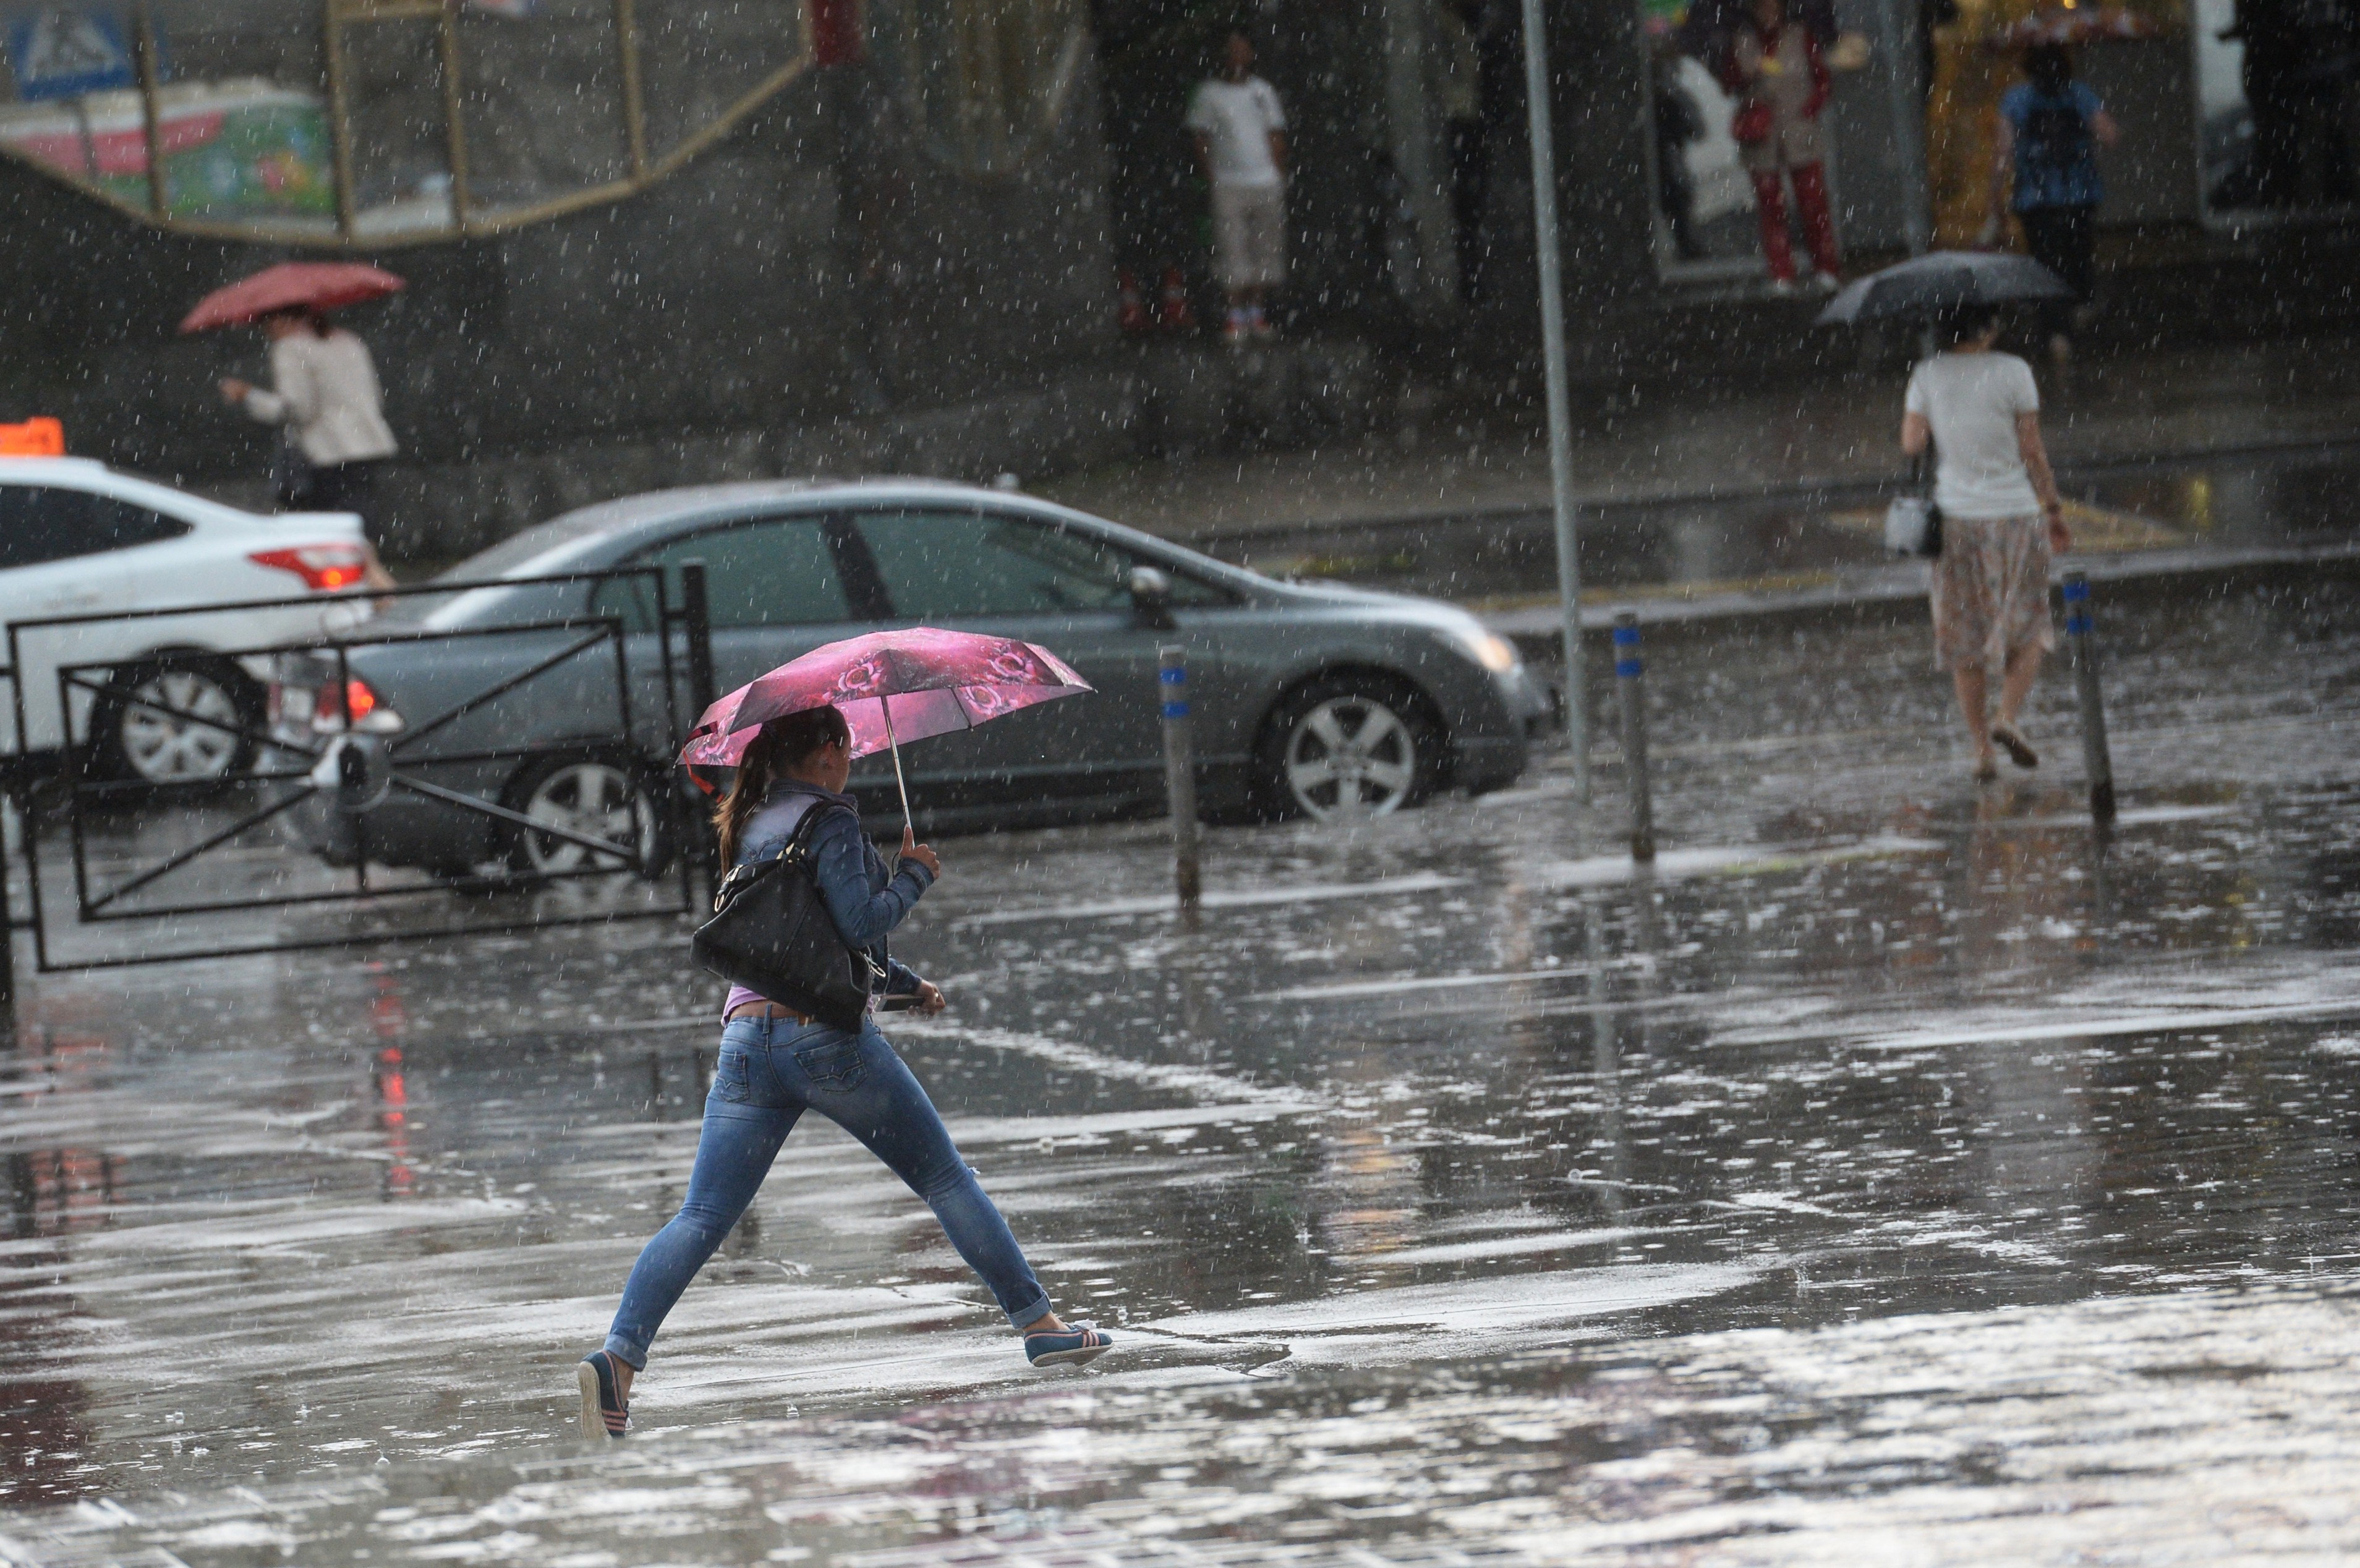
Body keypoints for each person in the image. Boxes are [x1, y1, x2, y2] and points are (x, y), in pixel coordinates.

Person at [577, 706, 1109, 1440]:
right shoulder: (830, 822)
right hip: (823, 1042)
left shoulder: (754, 819)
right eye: (848, 747)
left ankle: (618, 1360)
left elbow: (800, 937)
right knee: (944, 1178)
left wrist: (904, 982)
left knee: (700, 1217)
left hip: (745, 1041)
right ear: (826, 752)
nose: (852, 760)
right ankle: (1039, 1323)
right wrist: (913, 876)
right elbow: (858, 924)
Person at [1901, 304, 2074, 782]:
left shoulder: (1926, 374)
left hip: (1955, 519)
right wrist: (2053, 510)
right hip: (2015, 514)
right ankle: (2007, 716)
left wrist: (1944, 417)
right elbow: (2032, 450)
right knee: (2028, 621)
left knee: (1963, 638)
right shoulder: (2014, 371)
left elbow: (1911, 442)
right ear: (1989, 328)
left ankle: (1981, 749)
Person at [218, 307, 399, 548]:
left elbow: (299, 409)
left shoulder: (291, 349)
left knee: (334, 531)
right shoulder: (348, 341)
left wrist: (248, 396)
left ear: (284, 319)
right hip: (366, 443)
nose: (266, 331)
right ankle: (372, 573)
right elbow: (374, 395)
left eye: (266, 323)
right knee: (360, 519)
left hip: (328, 450)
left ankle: (368, 579)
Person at [1988, 44, 2118, 364]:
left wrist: (1996, 203)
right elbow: (2110, 135)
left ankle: (2056, 333)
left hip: (2035, 200)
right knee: (2079, 258)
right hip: (2079, 196)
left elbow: (2002, 156)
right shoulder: (2079, 94)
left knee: (2046, 266)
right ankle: (2075, 313)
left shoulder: (2016, 99)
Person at [1723, 0, 1842, 294]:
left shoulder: (1800, 35)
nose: (1767, 12)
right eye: (1761, 7)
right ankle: (1781, 271)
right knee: (1771, 207)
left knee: (1813, 202)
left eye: (1772, 6)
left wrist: (1808, 111)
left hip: (1799, 133)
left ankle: (1825, 267)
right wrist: (1744, 73)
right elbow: (1729, 83)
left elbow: (1821, 81)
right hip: (1763, 136)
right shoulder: (1742, 39)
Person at [1186, 31, 1289, 344]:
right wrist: (1211, 175)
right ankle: (1234, 316)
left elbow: (1276, 133)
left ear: (1252, 54)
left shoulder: (1263, 92)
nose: (1238, 56)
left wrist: (1278, 173)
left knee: (1264, 250)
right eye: (1232, 50)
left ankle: (1256, 314)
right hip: (1229, 184)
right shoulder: (1209, 93)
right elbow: (1199, 137)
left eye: (1243, 49)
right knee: (1232, 248)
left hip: (1265, 182)